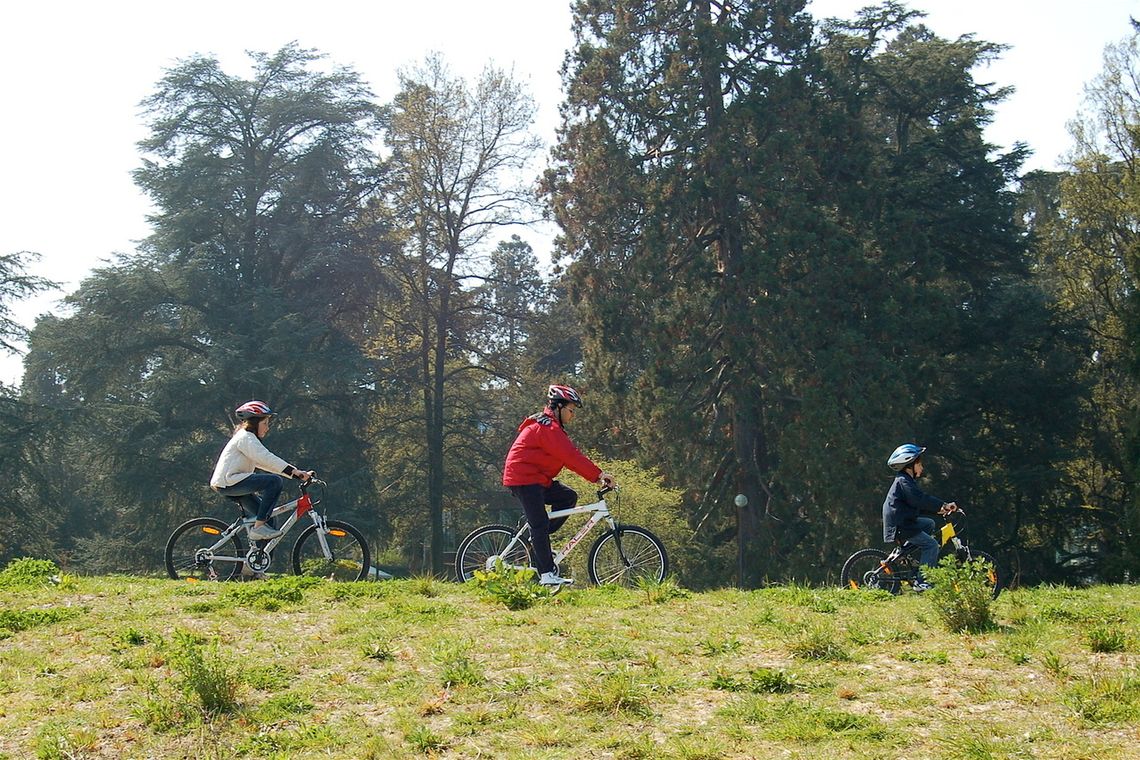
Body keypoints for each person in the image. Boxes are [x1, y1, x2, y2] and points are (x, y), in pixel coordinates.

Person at [502, 384, 615, 587]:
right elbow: (571, 457)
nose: (572, 416)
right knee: (539, 525)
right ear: (558, 407)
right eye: (571, 410)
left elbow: (569, 456)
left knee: (567, 497)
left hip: (537, 479)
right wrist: (599, 475)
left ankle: (539, 542)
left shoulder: (551, 427)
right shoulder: (547, 428)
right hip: (525, 478)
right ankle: (546, 575)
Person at [210, 400, 314, 541]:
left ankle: (259, 561)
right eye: (265, 423)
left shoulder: (248, 439)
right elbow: (266, 458)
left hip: (231, 484)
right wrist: (295, 472)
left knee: (269, 521)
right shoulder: (246, 437)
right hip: (229, 483)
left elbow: (264, 464)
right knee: (274, 482)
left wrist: (294, 473)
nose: (267, 428)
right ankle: (258, 528)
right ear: (254, 423)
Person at [882, 443, 958, 591]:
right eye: (920, 464)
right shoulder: (904, 481)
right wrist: (942, 504)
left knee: (928, 524)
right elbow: (920, 499)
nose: (922, 468)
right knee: (931, 545)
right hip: (900, 525)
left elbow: (917, 506)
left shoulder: (906, 481)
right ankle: (923, 582)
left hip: (903, 521)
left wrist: (939, 510)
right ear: (910, 464)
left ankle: (903, 550)